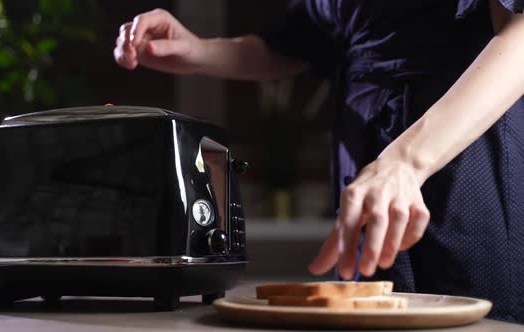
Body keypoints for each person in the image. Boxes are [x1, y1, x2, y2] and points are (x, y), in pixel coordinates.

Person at [114, 0, 524, 322]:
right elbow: (297, 43)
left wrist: (405, 161)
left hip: (465, 169)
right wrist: (198, 51)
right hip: (366, 184)